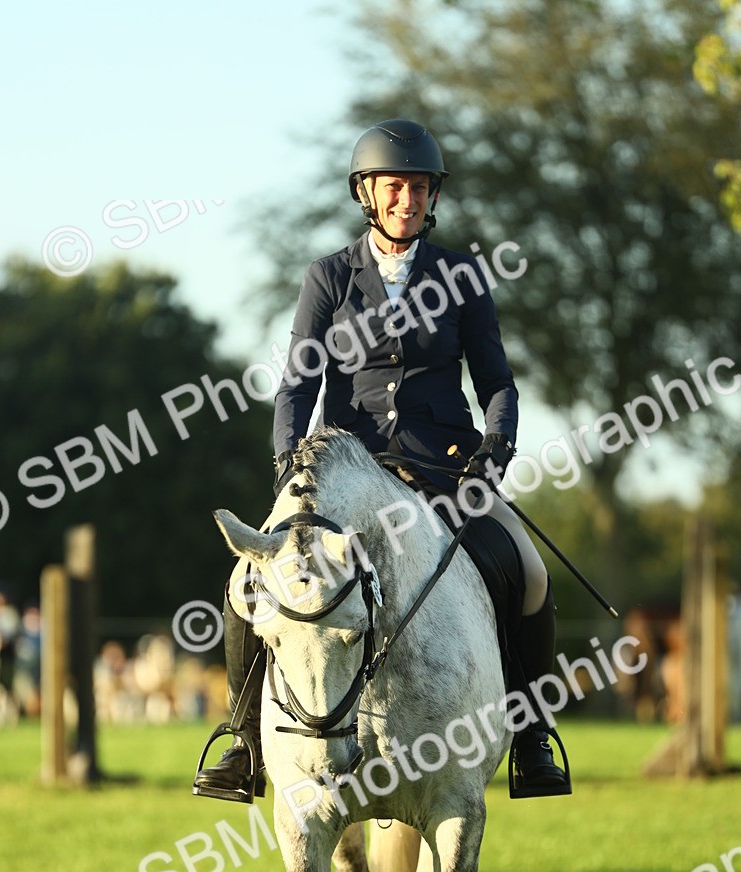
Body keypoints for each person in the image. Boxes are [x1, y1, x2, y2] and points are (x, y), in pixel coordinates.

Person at [193, 118, 571, 803]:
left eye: (421, 187)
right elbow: (298, 385)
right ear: (367, 193)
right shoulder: (329, 277)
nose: (409, 199)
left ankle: (532, 735)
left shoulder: (461, 276)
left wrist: (497, 448)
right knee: (244, 582)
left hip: (444, 470)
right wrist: (289, 467)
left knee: (531, 572)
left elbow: (498, 384)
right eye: (396, 186)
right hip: (345, 473)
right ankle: (245, 744)